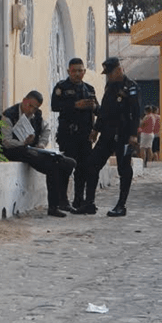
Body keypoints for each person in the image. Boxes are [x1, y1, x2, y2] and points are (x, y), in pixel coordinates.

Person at [0, 90, 75, 217]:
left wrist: (41, 144)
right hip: (16, 150)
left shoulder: (36, 115)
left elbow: (47, 129)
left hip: (34, 150)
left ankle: (63, 200)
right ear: (24, 101)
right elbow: (6, 141)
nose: (32, 110)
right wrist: (23, 143)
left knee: (70, 163)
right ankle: (53, 207)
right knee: (52, 167)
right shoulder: (8, 115)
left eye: (35, 108)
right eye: (30, 106)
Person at [81, 57, 141, 216]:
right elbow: (105, 112)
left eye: (110, 73)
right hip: (107, 133)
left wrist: (134, 135)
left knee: (124, 168)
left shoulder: (131, 87)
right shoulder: (110, 86)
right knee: (92, 164)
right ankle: (90, 203)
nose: (108, 76)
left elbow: (135, 113)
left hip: (124, 135)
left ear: (119, 70)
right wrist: (96, 129)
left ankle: (121, 205)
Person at [50, 57, 97, 213]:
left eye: (80, 70)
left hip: (85, 135)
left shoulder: (89, 89)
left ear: (84, 71)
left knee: (83, 169)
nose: (77, 74)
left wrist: (94, 107)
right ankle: (63, 200)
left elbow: (97, 110)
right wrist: (75, 105)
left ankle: (79, 199)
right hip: (68, 134)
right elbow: (54, 106)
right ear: (68, 71)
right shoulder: (61, 87)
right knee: (67, 166)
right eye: (74, 71)